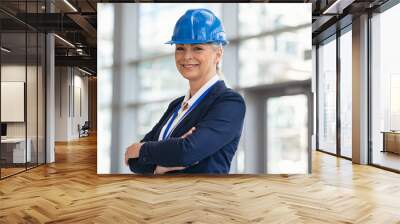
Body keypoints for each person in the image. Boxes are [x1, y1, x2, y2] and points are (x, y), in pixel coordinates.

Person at [124, 8, 246, 174]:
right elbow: (134, 163)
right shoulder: (176, 105)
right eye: (180, 48)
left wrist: (144, 149)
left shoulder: (229, 102)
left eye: (197, 48)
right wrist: (167, 156)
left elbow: (187, 152)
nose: (187, 56)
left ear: (218, 55)